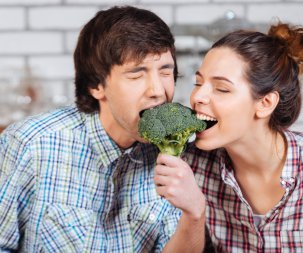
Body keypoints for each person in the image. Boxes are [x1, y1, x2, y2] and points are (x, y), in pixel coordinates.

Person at [154, 23, 303, 252]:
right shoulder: (191, 169)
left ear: (265, 103)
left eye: (221, 89)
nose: (197, 96)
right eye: (198, 83)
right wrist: (195, 212)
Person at [0, 5, 205, 252]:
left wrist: (195, 213)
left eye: (165, 72)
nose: (158, 91)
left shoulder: (179, 150)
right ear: (97, 85)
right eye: (136, 74)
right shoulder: (30, 145)